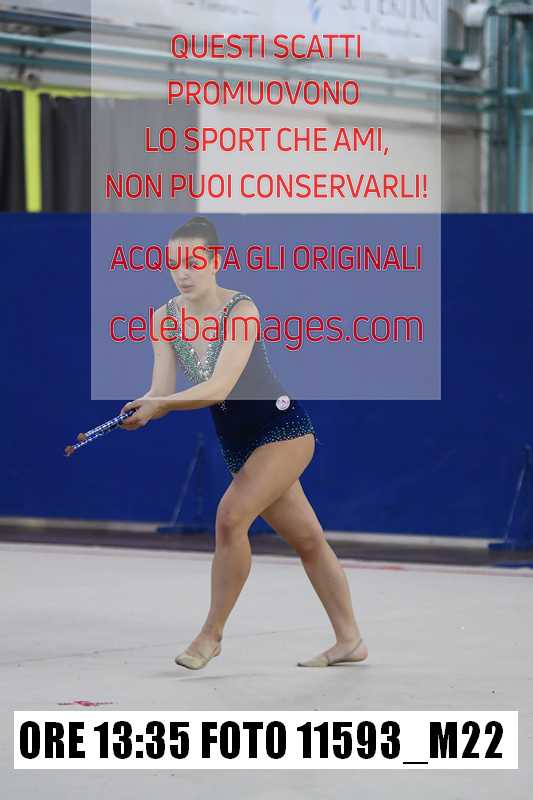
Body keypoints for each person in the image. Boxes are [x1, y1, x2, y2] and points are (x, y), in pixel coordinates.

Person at [120, 216, 368, 670]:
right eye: (174, 263)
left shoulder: (241, 311)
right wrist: (147, 408)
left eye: (194, 261)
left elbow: (219, 387)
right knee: (308, 540)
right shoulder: (164, 319)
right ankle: (350, 639)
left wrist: (161, 404)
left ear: (216, 261)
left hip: (283, 432)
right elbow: (162, 389)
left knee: (230, 517)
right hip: (239, 447)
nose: (183, 272)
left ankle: (210, 635)